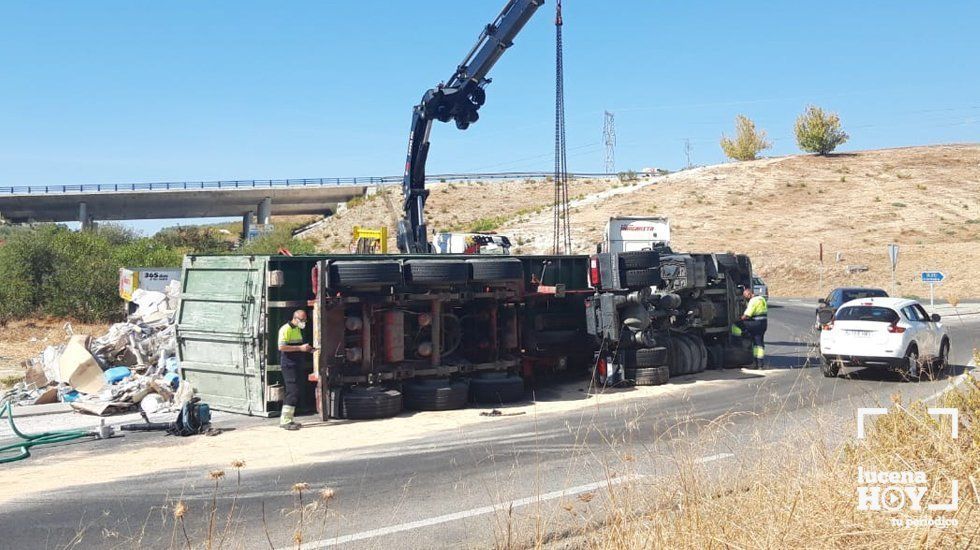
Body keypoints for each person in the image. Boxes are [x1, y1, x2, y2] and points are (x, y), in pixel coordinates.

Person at [278, 309, 312, 430]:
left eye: (305, 320)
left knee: (295, 391)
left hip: (296, 364)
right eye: (302, 320)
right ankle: (285, 420)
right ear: (295, 318)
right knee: (292, 391)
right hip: (289, 365)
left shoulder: (297, 329)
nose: (304, 322)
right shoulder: (285, 329)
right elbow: (281, 347)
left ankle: (289, 419)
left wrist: (308, 349)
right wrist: (300, 348)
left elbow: (297, 347)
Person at [736, 287, 768, 368]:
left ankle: (744, 334)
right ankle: (760, 364)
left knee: (738, 324)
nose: (745, 298)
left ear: (749, 294)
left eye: (745, 296)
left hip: (756, 323)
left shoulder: (753, 301)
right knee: (759, 342)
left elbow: (747, 315)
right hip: (763, 323)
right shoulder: (762, 298)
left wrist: (739, 319)